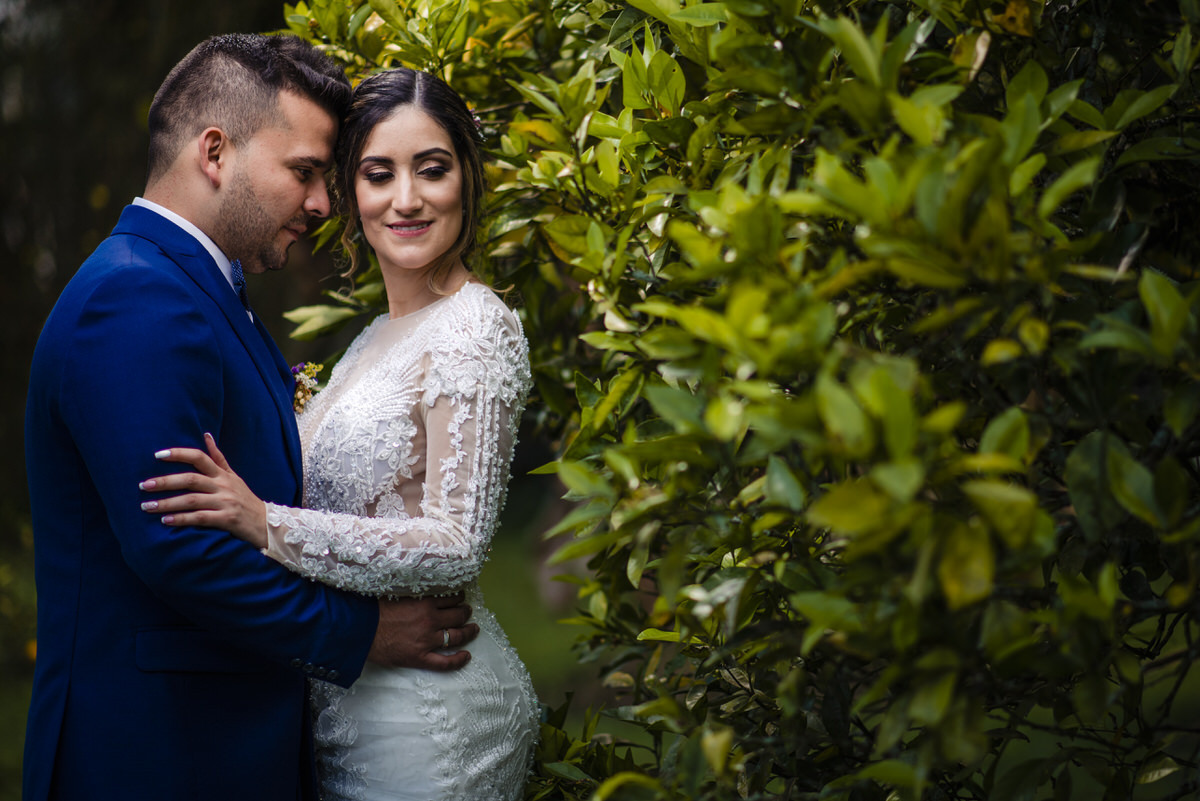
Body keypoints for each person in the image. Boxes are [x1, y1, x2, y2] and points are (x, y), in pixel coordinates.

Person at [24, 37, 478, 801]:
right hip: (157, 753)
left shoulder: (195, 286)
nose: (322, 204)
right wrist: (365, 635)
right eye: (303, 172)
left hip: (216, 742)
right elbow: (182, 549)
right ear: (214, 152)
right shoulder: (134, 298)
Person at [140, 68, 539, 800]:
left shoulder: (474, 325)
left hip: (429, 718)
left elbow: (455, 541)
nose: (407, 199)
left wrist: (265, 523)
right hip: (348, 704)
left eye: (433, 169)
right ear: (352, 194)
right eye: (379, 173)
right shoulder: (371, 340)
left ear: (468, 181)